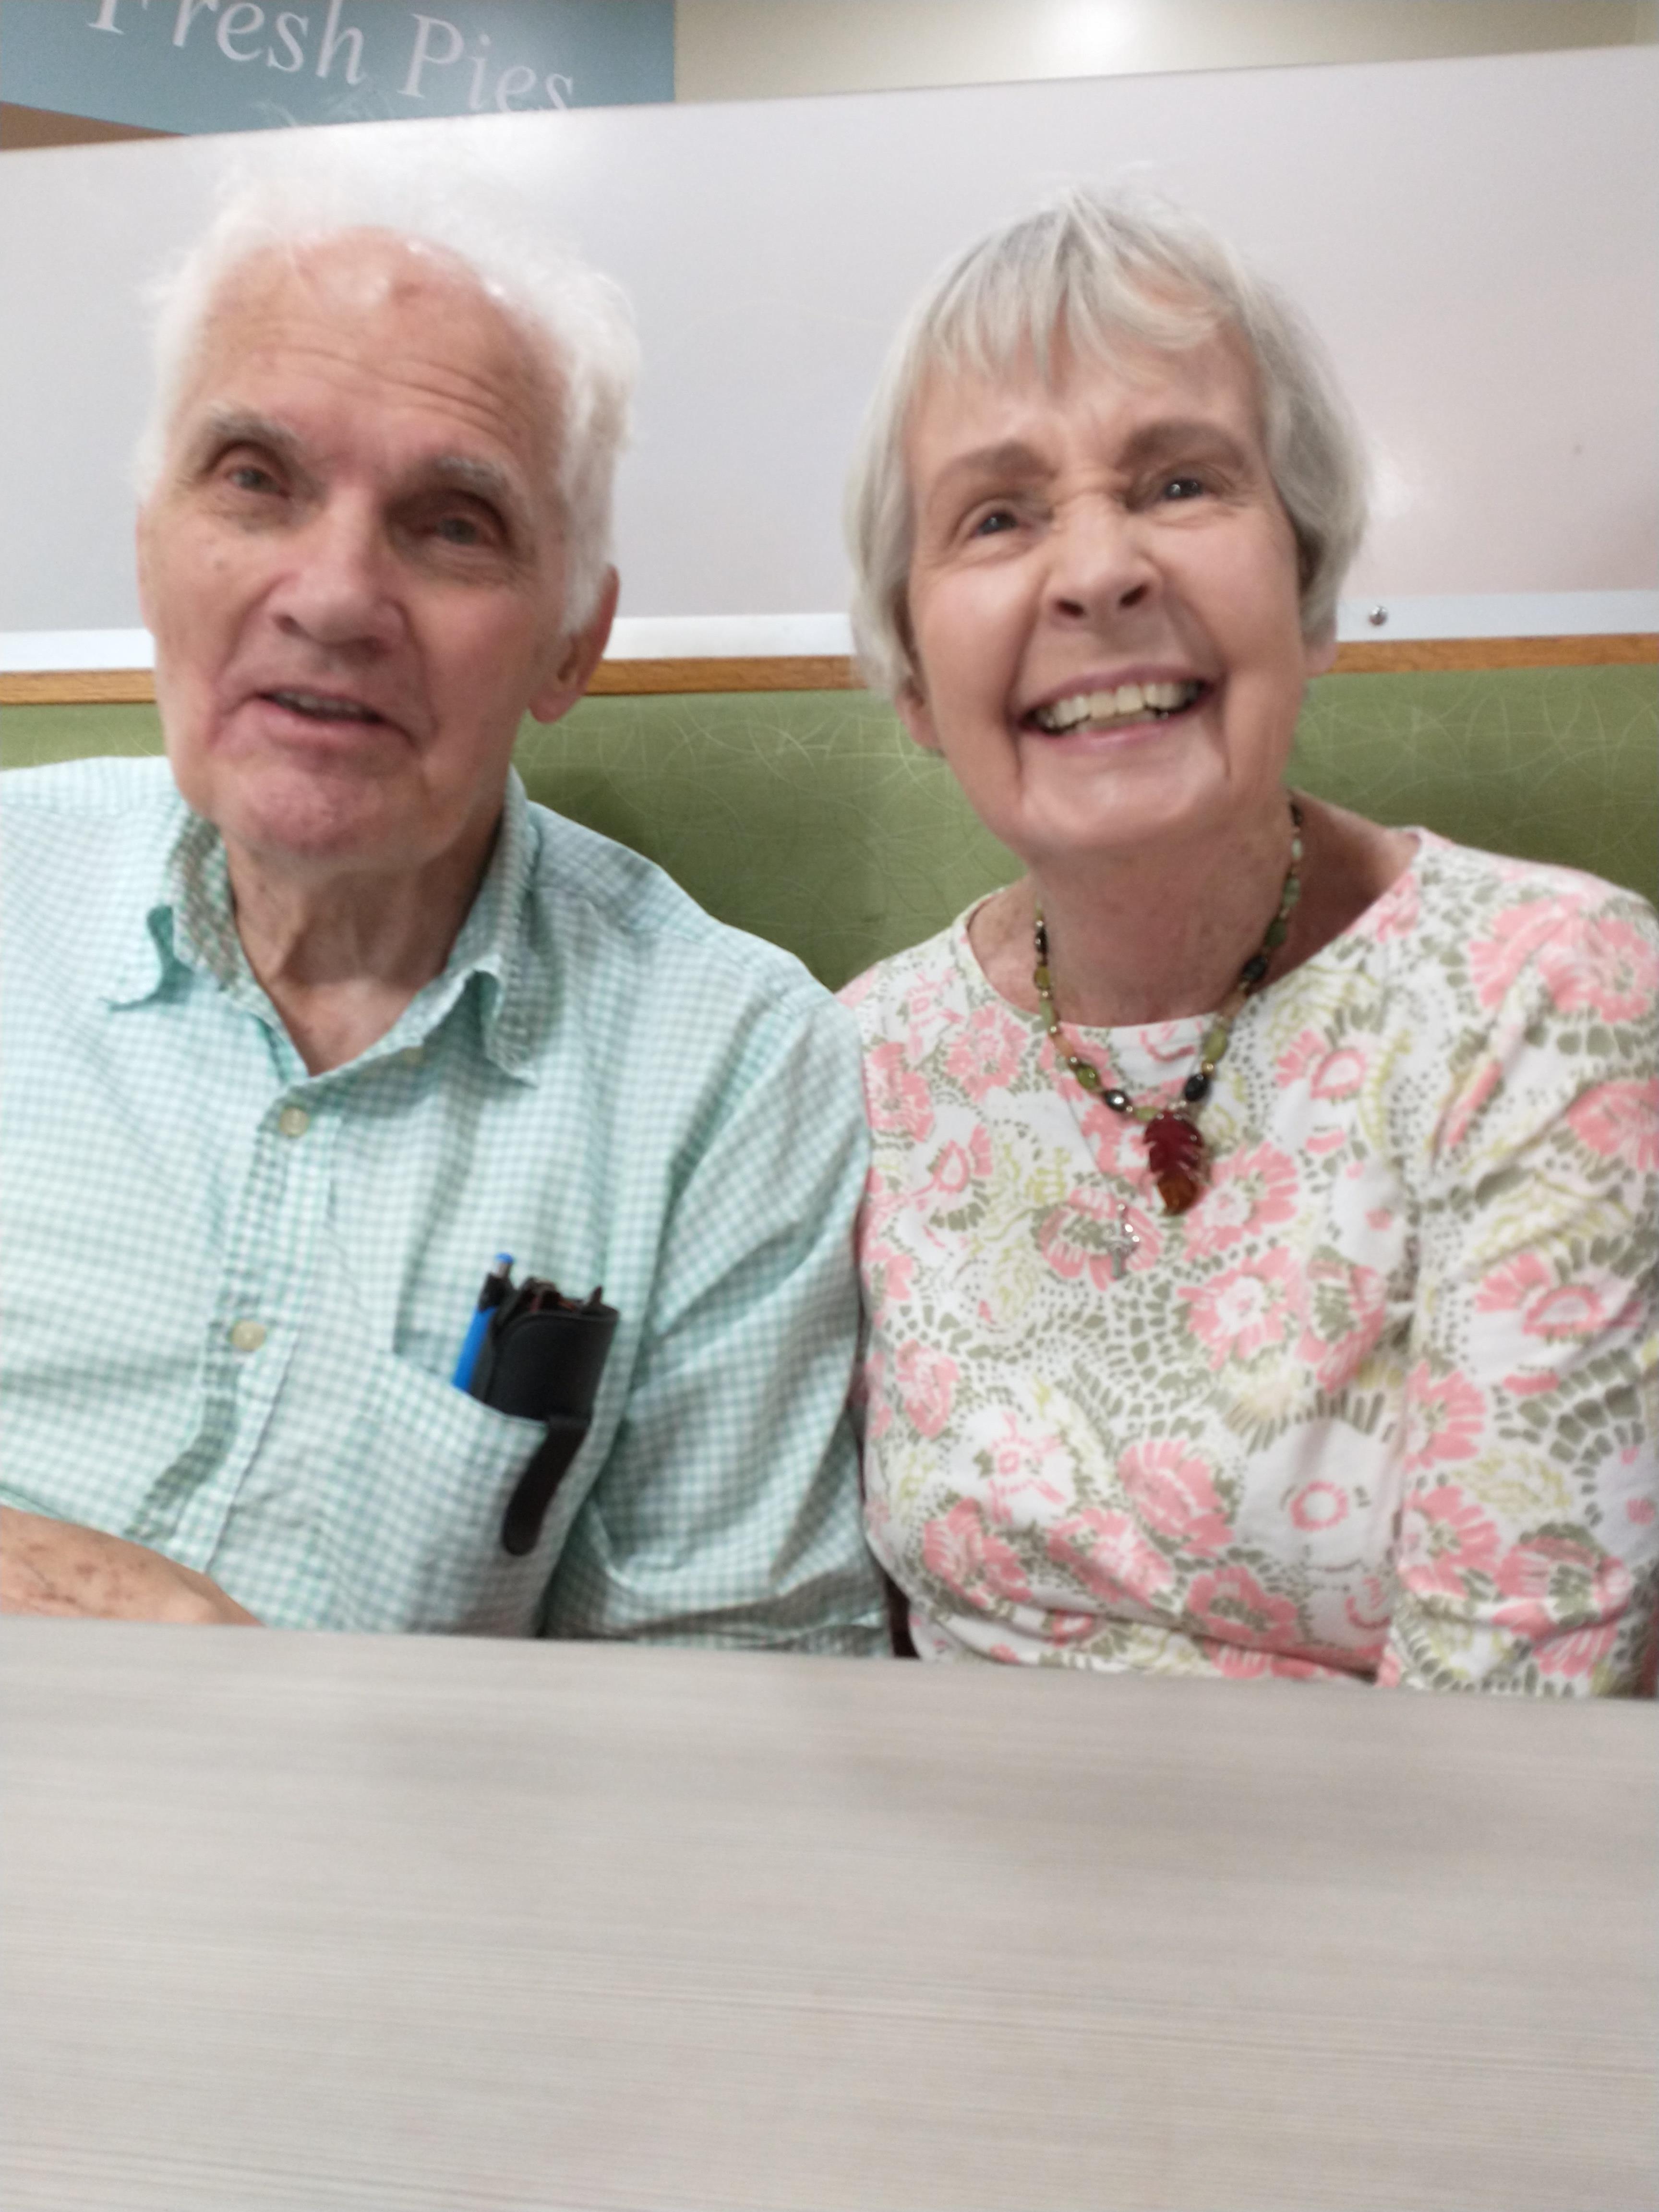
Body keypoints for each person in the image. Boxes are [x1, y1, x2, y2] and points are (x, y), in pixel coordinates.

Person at [0, 166, 886, 1652]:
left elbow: (732, 1701)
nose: (335, 594)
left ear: (570, 641)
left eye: (452, 522)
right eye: (255, 481)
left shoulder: (731, 1074)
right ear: (152, 549)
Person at [840, 188, 1659, 1691]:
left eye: (1178, 484)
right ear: (909, 672)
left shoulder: (1544, 995)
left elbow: (1517, 1743)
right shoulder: (858, 1059)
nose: (1097, 572)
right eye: (999, 514)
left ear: (1310, 582)